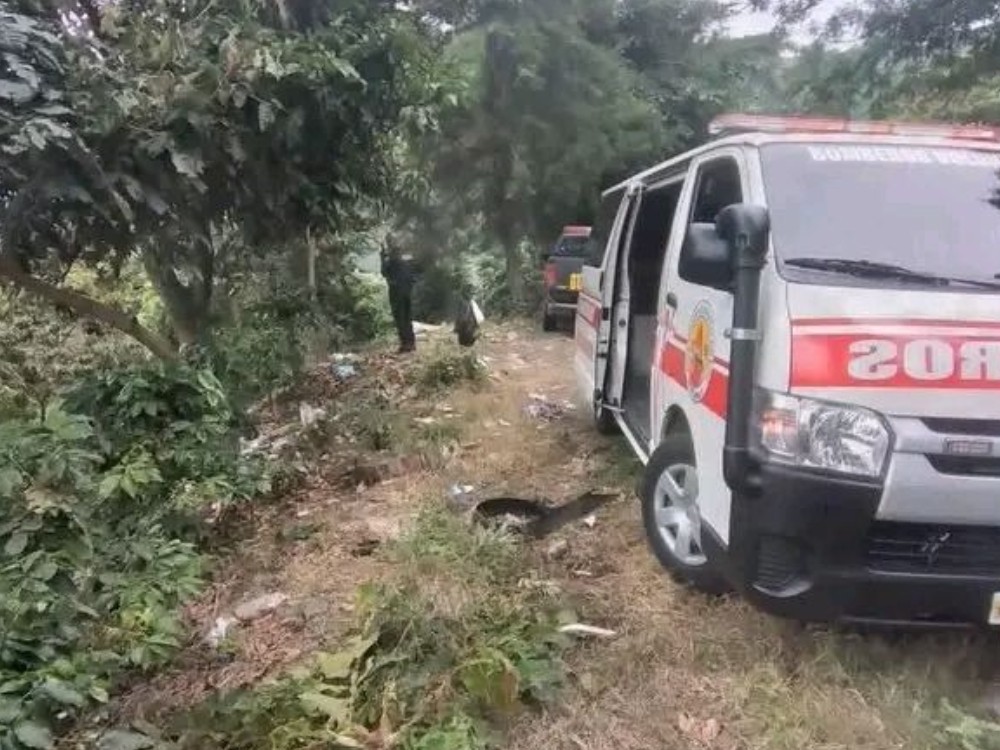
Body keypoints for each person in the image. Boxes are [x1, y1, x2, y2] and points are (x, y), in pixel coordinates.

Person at [380, 239, 417, 353]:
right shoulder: (406, 264)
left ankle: (405, 344)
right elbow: (413, 278)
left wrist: (382, 257)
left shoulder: (391, 263)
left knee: (400, 319)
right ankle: (411, 343)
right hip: (407, 294)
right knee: (407, 318)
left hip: (396, 295)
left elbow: (383, 272)